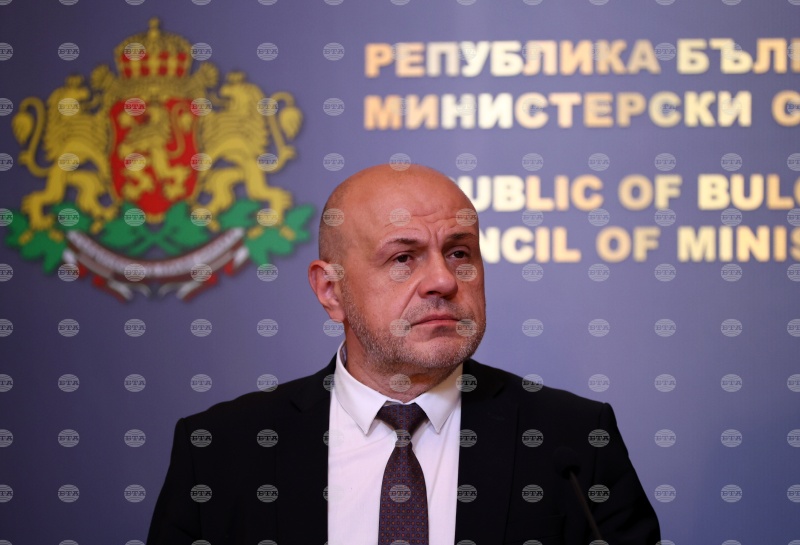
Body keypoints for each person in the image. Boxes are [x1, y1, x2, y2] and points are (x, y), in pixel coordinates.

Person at [147, 164, 660, 544]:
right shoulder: (219, 452)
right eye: (403, 257)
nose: (442, 280)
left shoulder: (574, 443)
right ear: (331, 291)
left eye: (459, 252)